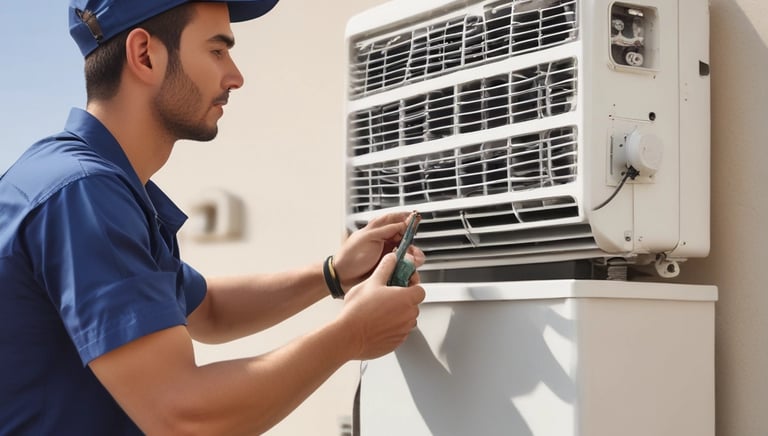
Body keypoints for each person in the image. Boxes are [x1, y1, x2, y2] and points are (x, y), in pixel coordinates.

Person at [0, 1, 426, 434]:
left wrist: (333, 274)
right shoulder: (84, 195)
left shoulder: (89, 181)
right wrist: (351, 336)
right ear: (145, 54)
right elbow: (184, 416)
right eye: (217, 51)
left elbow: (209, 311)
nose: (235, 77)